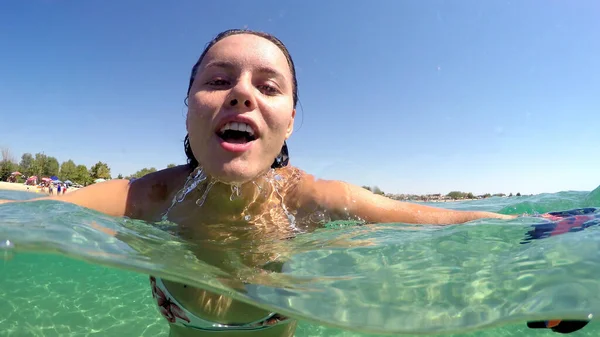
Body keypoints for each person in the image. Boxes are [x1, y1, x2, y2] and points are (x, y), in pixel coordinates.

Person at [0, 29, 515, 337]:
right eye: (219, 80)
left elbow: (453, 223)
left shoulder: (314, 199)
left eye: (267, 86)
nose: (242, 94)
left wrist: (551, 235)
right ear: (188, 111)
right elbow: (35, 209)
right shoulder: (148, 197)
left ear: (290, 120)